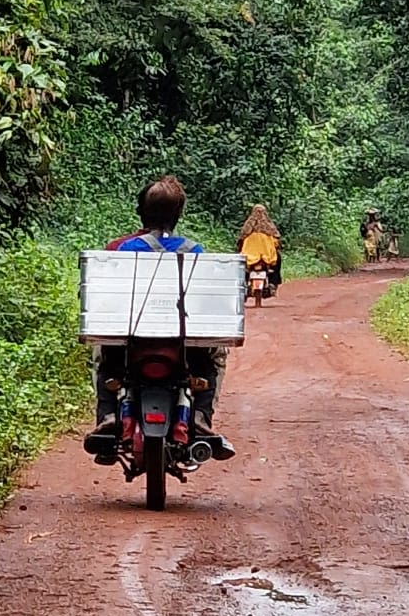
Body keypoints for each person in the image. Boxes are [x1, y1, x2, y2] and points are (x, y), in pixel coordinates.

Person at [92, 175, 234, 458]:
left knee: (105, 357)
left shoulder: (125, 248)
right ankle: (202, 415)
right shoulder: (193, 250)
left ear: (141, 212)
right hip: (178, 337)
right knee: (214, 358)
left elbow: (111, 294)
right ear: (179, 215)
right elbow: (200, 296)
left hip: (133, 336)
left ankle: (107, 413)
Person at [237, 203, 282, 287]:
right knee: (278, 259)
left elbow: (241, 239)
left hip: (250, 258)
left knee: (240, 264)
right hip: (267, 258)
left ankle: (243, 282)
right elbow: (277, 241)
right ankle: (273, 282)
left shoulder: (247, 228)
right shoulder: (270, 228)